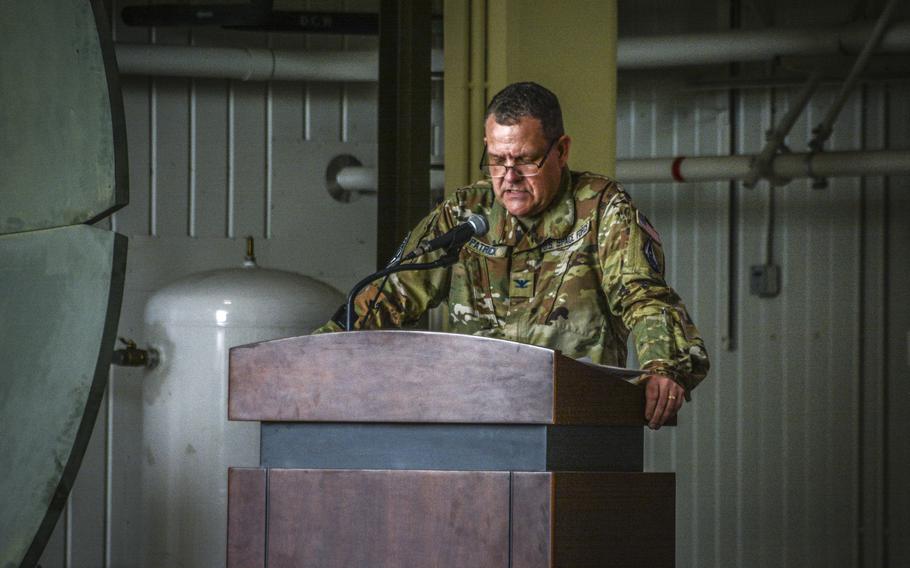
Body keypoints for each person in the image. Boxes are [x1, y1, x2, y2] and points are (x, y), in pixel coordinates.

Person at [316, 82, 709, 429]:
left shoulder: (602, 209)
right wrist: (315, 356)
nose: (509, 176)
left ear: (562, 151)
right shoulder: (465, 213)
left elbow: (644, 296)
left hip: (576, 425)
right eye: (496, 160)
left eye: (524, 160)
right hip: (473, 420)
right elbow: (390, 293)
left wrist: (664, 367)